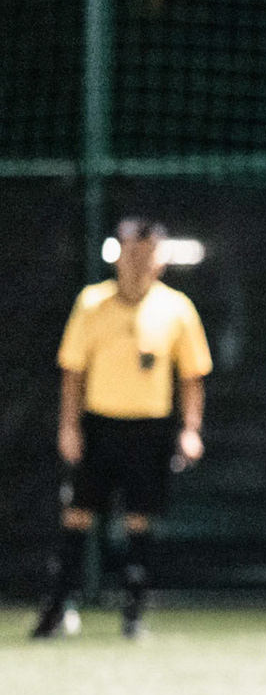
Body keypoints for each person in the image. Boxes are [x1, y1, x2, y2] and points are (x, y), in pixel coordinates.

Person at [31, 218, 210, 641]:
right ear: (118, 255)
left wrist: (191, 429)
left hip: (149, 429)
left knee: (139, 520)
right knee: (77, 516)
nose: (137, 262)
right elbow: (72, 372)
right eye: (130, 252)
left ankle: (133, 614)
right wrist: (69, 427)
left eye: (146, 253)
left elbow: (192, 376)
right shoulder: (91, 302)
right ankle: (55, 610)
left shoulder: (178, 308)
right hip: (99, 426)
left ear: (160, 259)